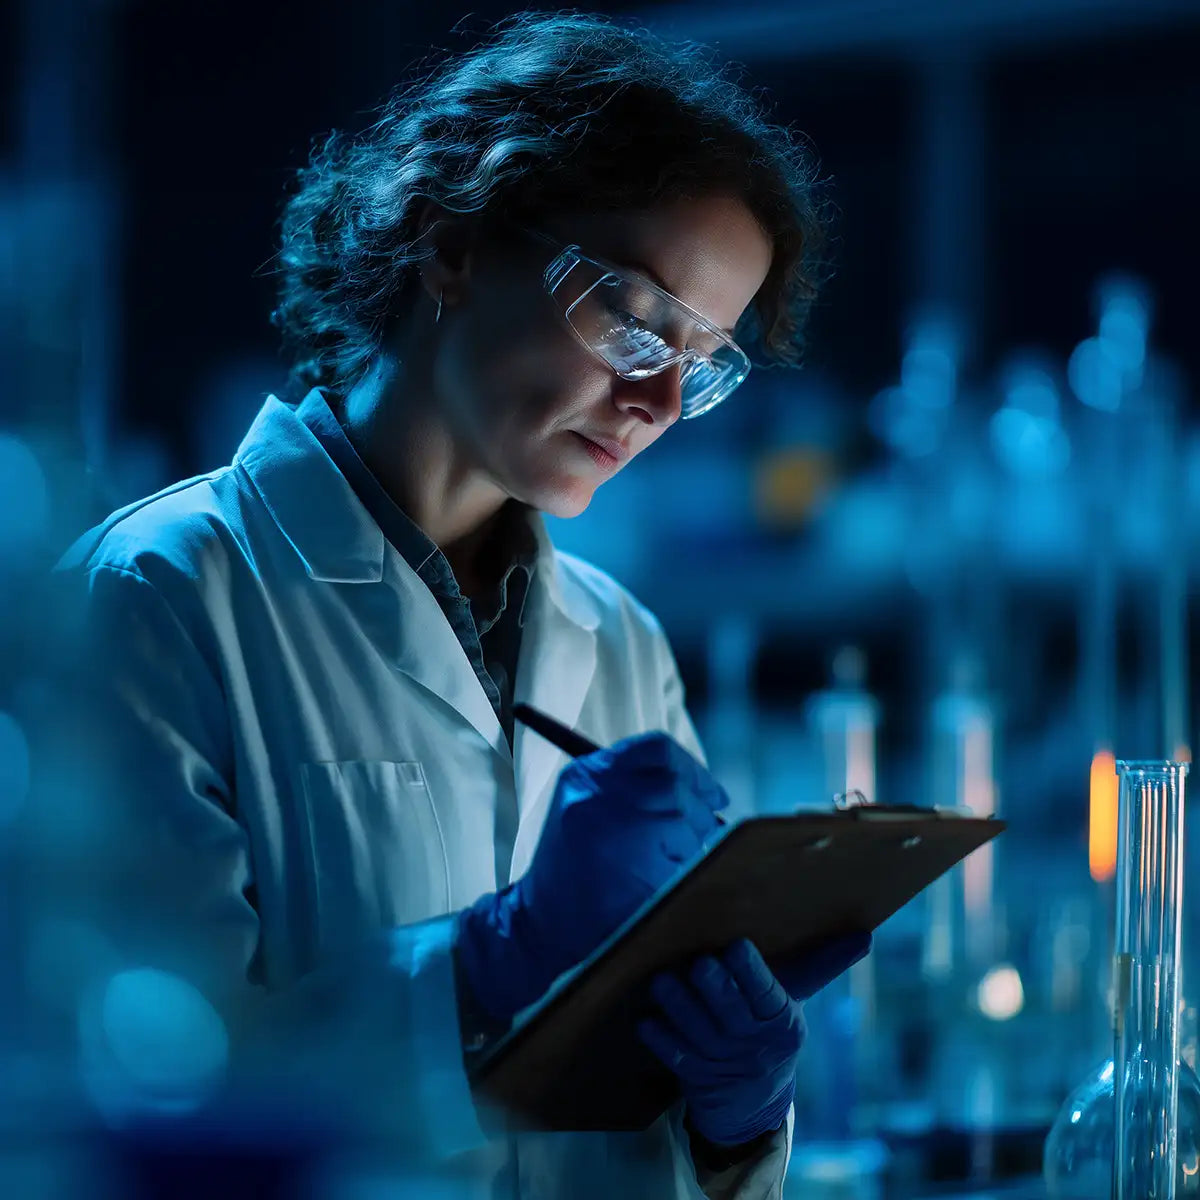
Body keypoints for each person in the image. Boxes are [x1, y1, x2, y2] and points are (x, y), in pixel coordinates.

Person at [35, 11, 870, 1199]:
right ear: (449, 243)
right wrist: (488, 968)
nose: (655, 404)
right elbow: (128, 1095)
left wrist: (732, 1117)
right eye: (636, 319)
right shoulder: (158, 595)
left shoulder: (620, 644)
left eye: (702, 362)